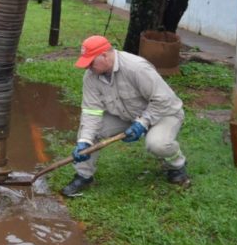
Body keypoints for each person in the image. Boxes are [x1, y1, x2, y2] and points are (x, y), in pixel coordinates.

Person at [61, 35, 189, 197]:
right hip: (126, 115)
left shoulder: (136, 68)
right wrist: (84, 142)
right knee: (91, 131)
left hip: (164, 112)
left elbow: (163, 99)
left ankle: (177, 165)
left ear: (105, 56)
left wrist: (143, 123)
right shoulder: (91, 77)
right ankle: (84, 176)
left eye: (91, 62)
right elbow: (91, 111)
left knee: (157, 144)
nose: (88, 67)